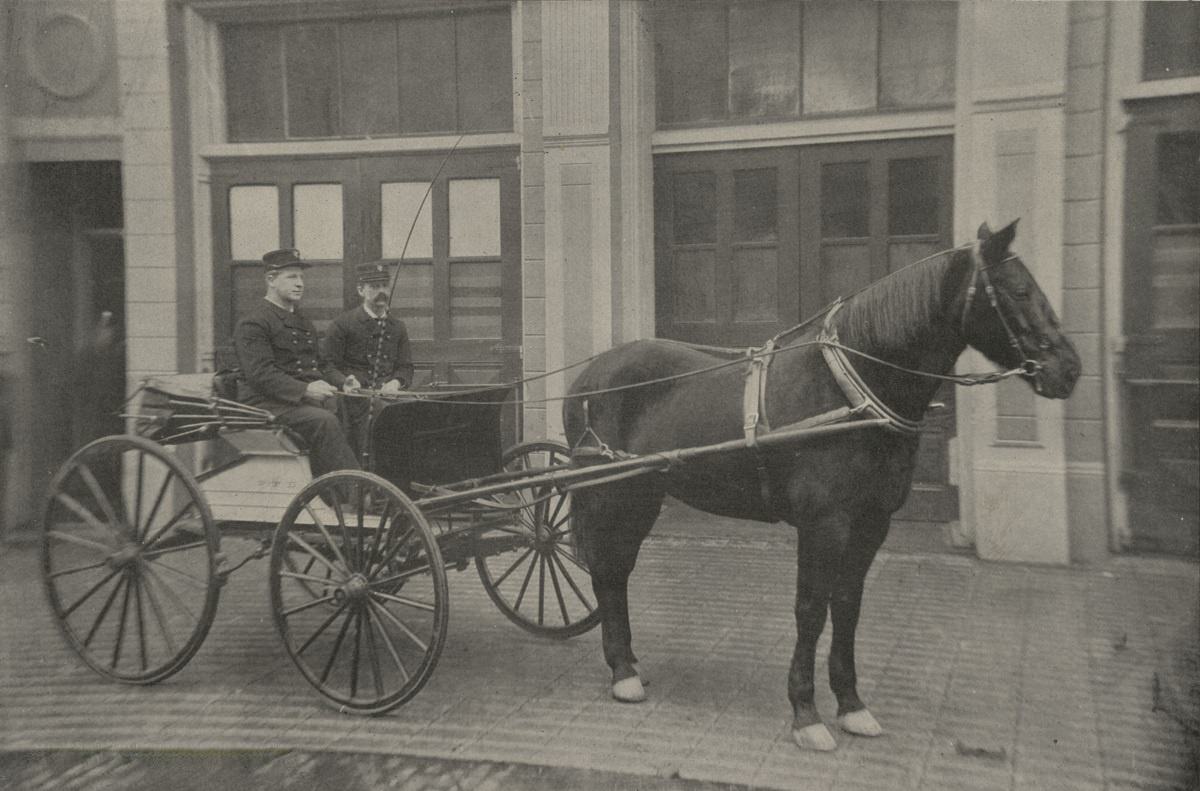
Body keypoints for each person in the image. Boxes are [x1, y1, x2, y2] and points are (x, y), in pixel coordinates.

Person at [234, 248, 360, 476]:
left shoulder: (302, 321)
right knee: (324, 421)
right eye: (292, 276)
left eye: (301, 277)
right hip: (266, 404)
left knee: (358, 410)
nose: (300, 283)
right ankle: (358, 493)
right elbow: (261, 374)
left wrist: (343, 382)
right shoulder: (254, 323)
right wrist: (305, 389)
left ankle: (338, 491)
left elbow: (321, 365)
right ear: (271, 280)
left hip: (296, 403)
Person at [325, 260, 415, 459]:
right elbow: (328, 366)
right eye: (374, 287)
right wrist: (344, 381)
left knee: (416, 410)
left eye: (385, 286)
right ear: (360, 290)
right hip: (356, 400)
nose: (381, 291)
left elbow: (405, 367)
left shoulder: (397, 326)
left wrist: (395, 382)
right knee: (384, 416)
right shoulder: (342, 325)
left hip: (389, 396)